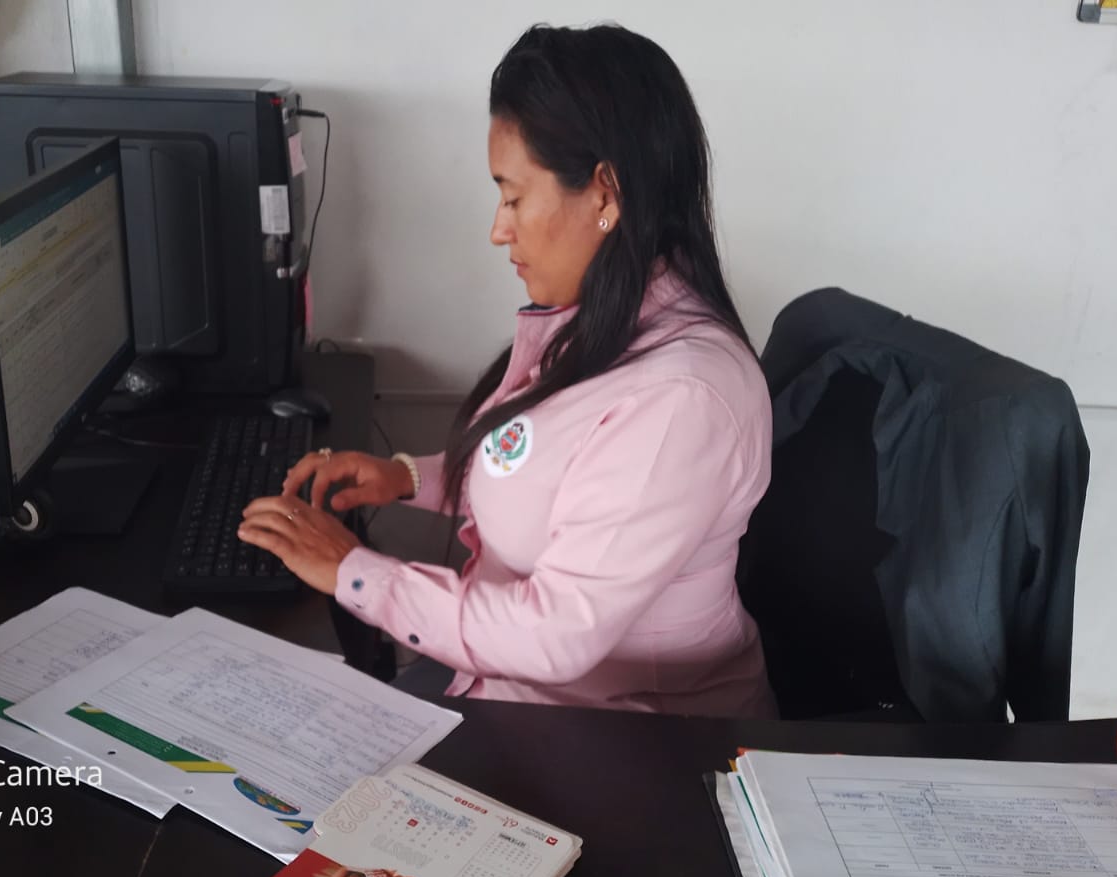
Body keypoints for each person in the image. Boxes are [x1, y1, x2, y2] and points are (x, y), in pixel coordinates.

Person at [238, 23, 776, 718]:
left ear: (605, 194)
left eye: (514, 197)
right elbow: (544, 475)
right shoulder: (601, 322)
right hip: (518, 693)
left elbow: (556, 634)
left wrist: (354, 571)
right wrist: (406, 478)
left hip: (631, 738)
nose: (499, 229)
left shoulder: (680, 400)